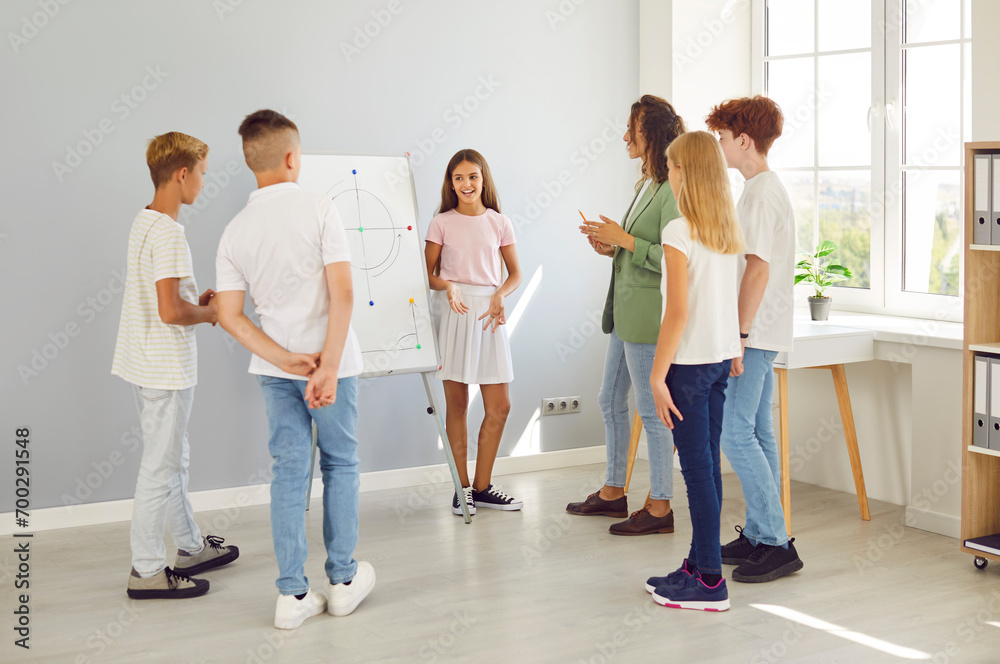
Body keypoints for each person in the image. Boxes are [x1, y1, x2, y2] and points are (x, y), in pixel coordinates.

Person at [215, 109, 374, 630]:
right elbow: (344, 292)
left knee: (288, 474)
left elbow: (229, 315)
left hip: (275, 371)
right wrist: (327, 367)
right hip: (335, 365)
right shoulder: (320, 208)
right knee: (341, 464)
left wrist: (283, 359)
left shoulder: (235, 231)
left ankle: (291, 596)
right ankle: (344, 582)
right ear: (291, 157)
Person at [112, 131, 239, 600]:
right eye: (202, 174)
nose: (203, 184)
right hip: (165, 368)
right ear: (183, 174)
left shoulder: (144, 222)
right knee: (160, 468)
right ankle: (146, 570)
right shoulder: (170, 232)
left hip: (144, 360)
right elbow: (170, 312)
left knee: (172, 459)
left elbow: (161, 299)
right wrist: (212, 312)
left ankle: (189, 546)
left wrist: (195, 301)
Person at [567, 95, 685, 536]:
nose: (624, 137)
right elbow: (634, 245)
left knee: (652, 413)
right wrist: (611, 243)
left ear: (650, 133)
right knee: (608, 399)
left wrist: (628, 242)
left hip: (649, 316)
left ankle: (660, 506)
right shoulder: (647, 185)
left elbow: (676, 259)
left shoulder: (673, 190)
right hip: (624, 313)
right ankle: (614, 491)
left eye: (631, 130)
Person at [644, 130, 744, 612]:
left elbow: (678, 313)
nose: (668, 172)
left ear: (687, 171)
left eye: (672, 165)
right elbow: (724, 302)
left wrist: (656, 375)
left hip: (687, 366)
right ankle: (696, 563)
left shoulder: (679, 231)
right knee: (708, 468)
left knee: (698, 474)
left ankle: (709, 583)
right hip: (719, 362)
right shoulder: (724, 229)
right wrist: (734, 350)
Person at [706, 95, 803, 583]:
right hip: (761, 329)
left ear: (744, 140)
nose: (718, 146)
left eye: (722, 137)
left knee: (734, 432)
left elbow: (758, 269)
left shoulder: (762, 193)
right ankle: (764, 535)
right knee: (758, 432)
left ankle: (777, 542)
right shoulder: (757, 190)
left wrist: (739, 336)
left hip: (756, 330)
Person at [424, 149, 523, 516]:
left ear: (484, 180)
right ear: (451, 184)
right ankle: (461, 487)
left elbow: (515, 274)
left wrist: (500, 294)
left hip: (489, 313)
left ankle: (482, 487)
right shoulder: (441, 223)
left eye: (473, 177)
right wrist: (447, 285)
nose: (466, 184)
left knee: (500, 406)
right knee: (458, 406)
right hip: (455, 312)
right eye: (459, 178)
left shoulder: (499, 222)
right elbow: (427, 275)